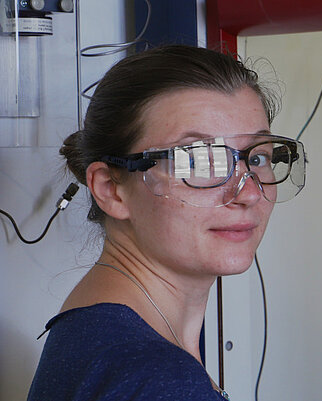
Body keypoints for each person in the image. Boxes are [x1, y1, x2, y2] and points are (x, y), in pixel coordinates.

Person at [28, 45, 306, 400]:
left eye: (259, 157)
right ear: (111, 189)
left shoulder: (92, 328)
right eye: (201, 162)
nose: (248, 193)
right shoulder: (159, 378)